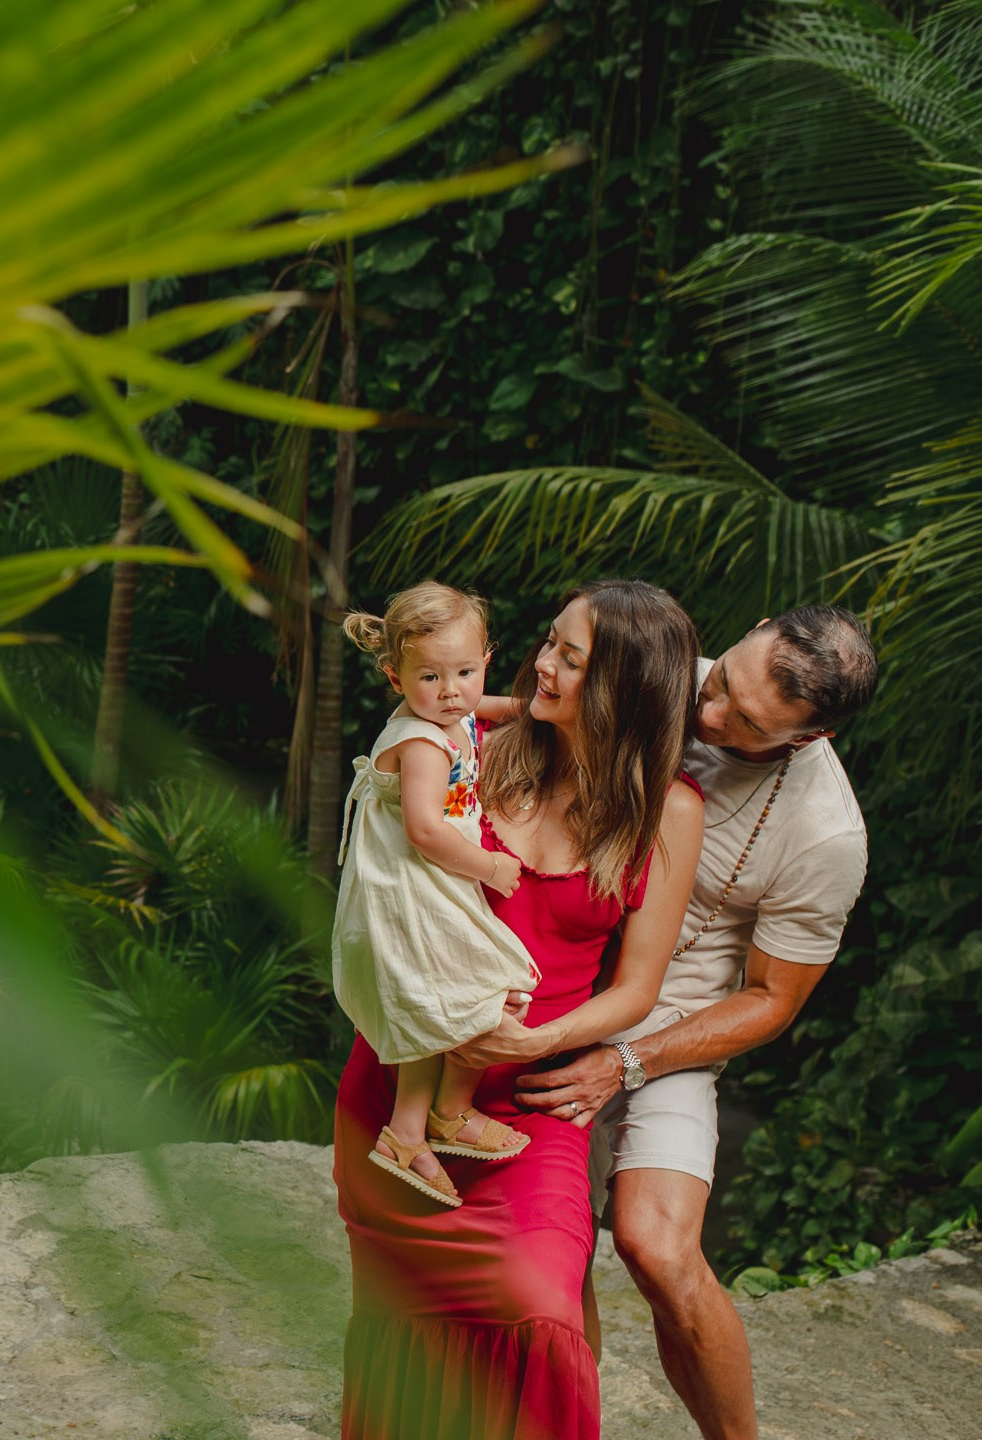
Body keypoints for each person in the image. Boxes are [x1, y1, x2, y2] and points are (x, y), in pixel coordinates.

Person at [335, 577, 705, 1440]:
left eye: (570, 660)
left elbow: (636, 989)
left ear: (621, 689)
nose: (542, 665)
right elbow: (433, 689)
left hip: (528, 1102)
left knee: (541, 1306)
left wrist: (533, 1038)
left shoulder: (667, 809)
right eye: (548, 643)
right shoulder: (469, 737)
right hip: (407, 1092)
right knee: (405, 1327)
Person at [509, 607, 877, 1440]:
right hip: (549, 994)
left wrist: (625, 1061)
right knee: (549, 1260)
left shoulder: (825, 834)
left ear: (813, 734)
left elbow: (771, 1002)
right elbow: (533, 711)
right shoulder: (660, 670)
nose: (710, 718)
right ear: (748, 631)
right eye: (720, 686)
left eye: (747, 723)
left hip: (664, 1041)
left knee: (657, 1248)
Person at [331, 581, 541, 1210]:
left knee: (435, 1008)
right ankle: (440, 1114)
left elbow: (498, 707)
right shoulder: (422, 740)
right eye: (430, 677)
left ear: (486, 660)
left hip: (427, 883)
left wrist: (541, 711)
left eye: (466, 672)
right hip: (411, 888)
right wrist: (489, 868)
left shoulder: (456, 710)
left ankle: (415, 1128)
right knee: (496, 983)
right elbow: (424, 830)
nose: (452, 691)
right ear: (395, 678)